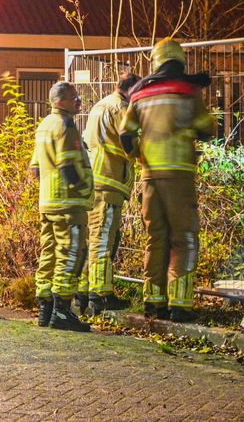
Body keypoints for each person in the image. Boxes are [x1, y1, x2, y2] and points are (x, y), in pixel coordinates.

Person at [123, 39, 214, 322]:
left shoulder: (139, 95)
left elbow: (126, 135)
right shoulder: (188, 91)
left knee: (156, 238)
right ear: (180, 61)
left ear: (155, 62)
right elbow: (208, 129)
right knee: (184, 238)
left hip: (149, 177)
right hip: (179, 176)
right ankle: (180, 305)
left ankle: (154, 302)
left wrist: (140, 156)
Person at [75, 71, 141, 317]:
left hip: (95, 180)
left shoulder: (101, 104)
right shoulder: (121, 107)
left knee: (92, 239)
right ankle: (100, 295)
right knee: (104, 239)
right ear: (131, 90)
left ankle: (82, 293)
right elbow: (129, 139)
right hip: (109, 181)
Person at [30, 81, 93, 332]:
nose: (79, 101)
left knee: (49, 253)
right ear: (60, 101)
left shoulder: (44, 125)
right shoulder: (66, 126)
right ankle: (62, 312)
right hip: (68, 203)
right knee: (72, 254)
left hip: (47, 202)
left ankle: (45, 309)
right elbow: (69, 166)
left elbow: (35, 168)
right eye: (74, 97)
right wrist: (83, 188)